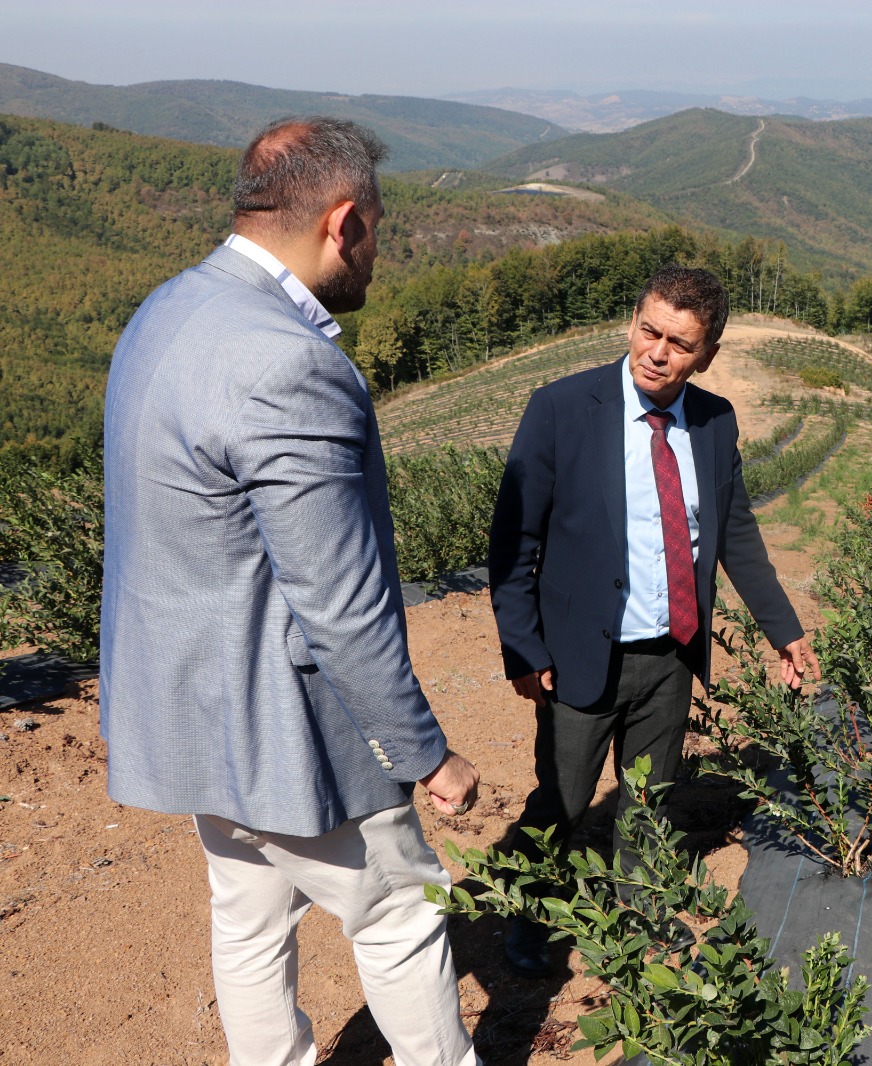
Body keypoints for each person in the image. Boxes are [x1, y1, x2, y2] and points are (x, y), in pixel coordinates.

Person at [100, 117, 480, 1066]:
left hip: (190, 708)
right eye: (378, 229)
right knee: (400, 913)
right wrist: (426, 756)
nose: (377, 252)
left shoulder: (168, 307)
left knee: (248, 916)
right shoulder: (289, 362)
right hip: (290, 726)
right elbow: (339, 602)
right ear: (341, 221)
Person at [487, 264, 820, 977]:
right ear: (632, 323)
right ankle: (535, 912)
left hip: (669, 652)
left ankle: (644, 911)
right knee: (566, 797)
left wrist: (783, 630)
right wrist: (523, 646)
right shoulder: (561, 408)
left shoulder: (713, 419)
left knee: (651, 798)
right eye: (650, 331)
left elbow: (734, 535)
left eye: (679, 342)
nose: (658, 351)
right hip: (579, 651)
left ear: (707, 354)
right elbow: (514, 540)